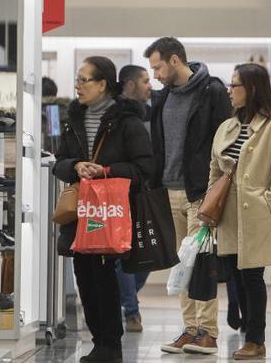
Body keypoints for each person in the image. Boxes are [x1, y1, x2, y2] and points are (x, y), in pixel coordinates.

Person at [53, 57, 153, 363]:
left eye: (84, 80)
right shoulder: (74, 120)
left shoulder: (128, 122)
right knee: (83, 273)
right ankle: (99, 342)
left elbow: (145, 168)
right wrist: (75, 166)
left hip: (110, 212)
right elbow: (59, 162)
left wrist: (106, 170)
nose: (77, 86)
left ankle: (111, 344)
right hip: (81, 210)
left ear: (102, 85)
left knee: (103, 274)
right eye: (78, 79)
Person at [145, 37, 231, 355]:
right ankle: (190, 329)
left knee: (200, 262)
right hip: (168, 192)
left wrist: (218, 185)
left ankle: (207, 332)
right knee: (180, 264)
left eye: (157, 67)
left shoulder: (213, 92)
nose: (154, 74)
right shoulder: (162, 98)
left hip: (200, 193)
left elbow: (226, 139)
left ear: (175, 61)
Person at [209, 63, 271, 360]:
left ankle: (255, 339)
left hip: (257, 212)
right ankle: (248, 332)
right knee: (234, 277)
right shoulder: (227, 126)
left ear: (253, 89)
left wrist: (269, 201)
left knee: (252, 276)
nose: (229, 91)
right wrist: (210, 208)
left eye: (235, 85)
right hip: (228, 214)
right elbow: (215, 169)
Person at [113, 65, 153, 333]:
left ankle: (122, 300)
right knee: (123, 253)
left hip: (147, 191)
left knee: (150, 251)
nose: (150, 85)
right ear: (129, 84)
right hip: (118, 191)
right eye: (145, 80)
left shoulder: (150, 113)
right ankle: (131, 310)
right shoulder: (114, 115)